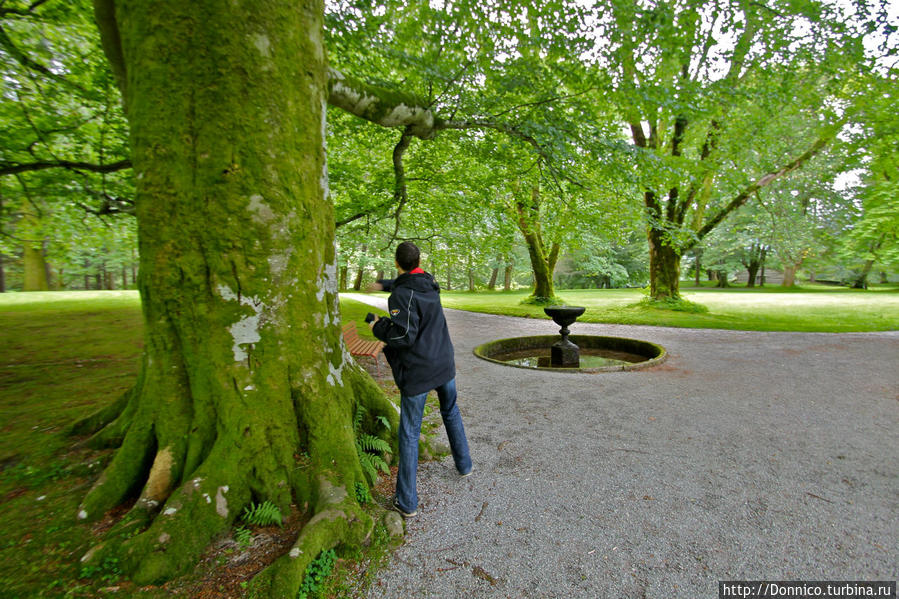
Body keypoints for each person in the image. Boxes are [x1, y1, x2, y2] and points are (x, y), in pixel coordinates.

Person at [369, 241, 472, 518]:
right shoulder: (428, 283)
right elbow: (408, 284)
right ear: (418, 261)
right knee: (451, 411)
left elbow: (404, 336)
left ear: (396, 262)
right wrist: (383, 284)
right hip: (444, 364)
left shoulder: (402, 296)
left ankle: (407, 502)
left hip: (420, 371)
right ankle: (464, 465)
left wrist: (378, 326)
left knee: (410, 432)